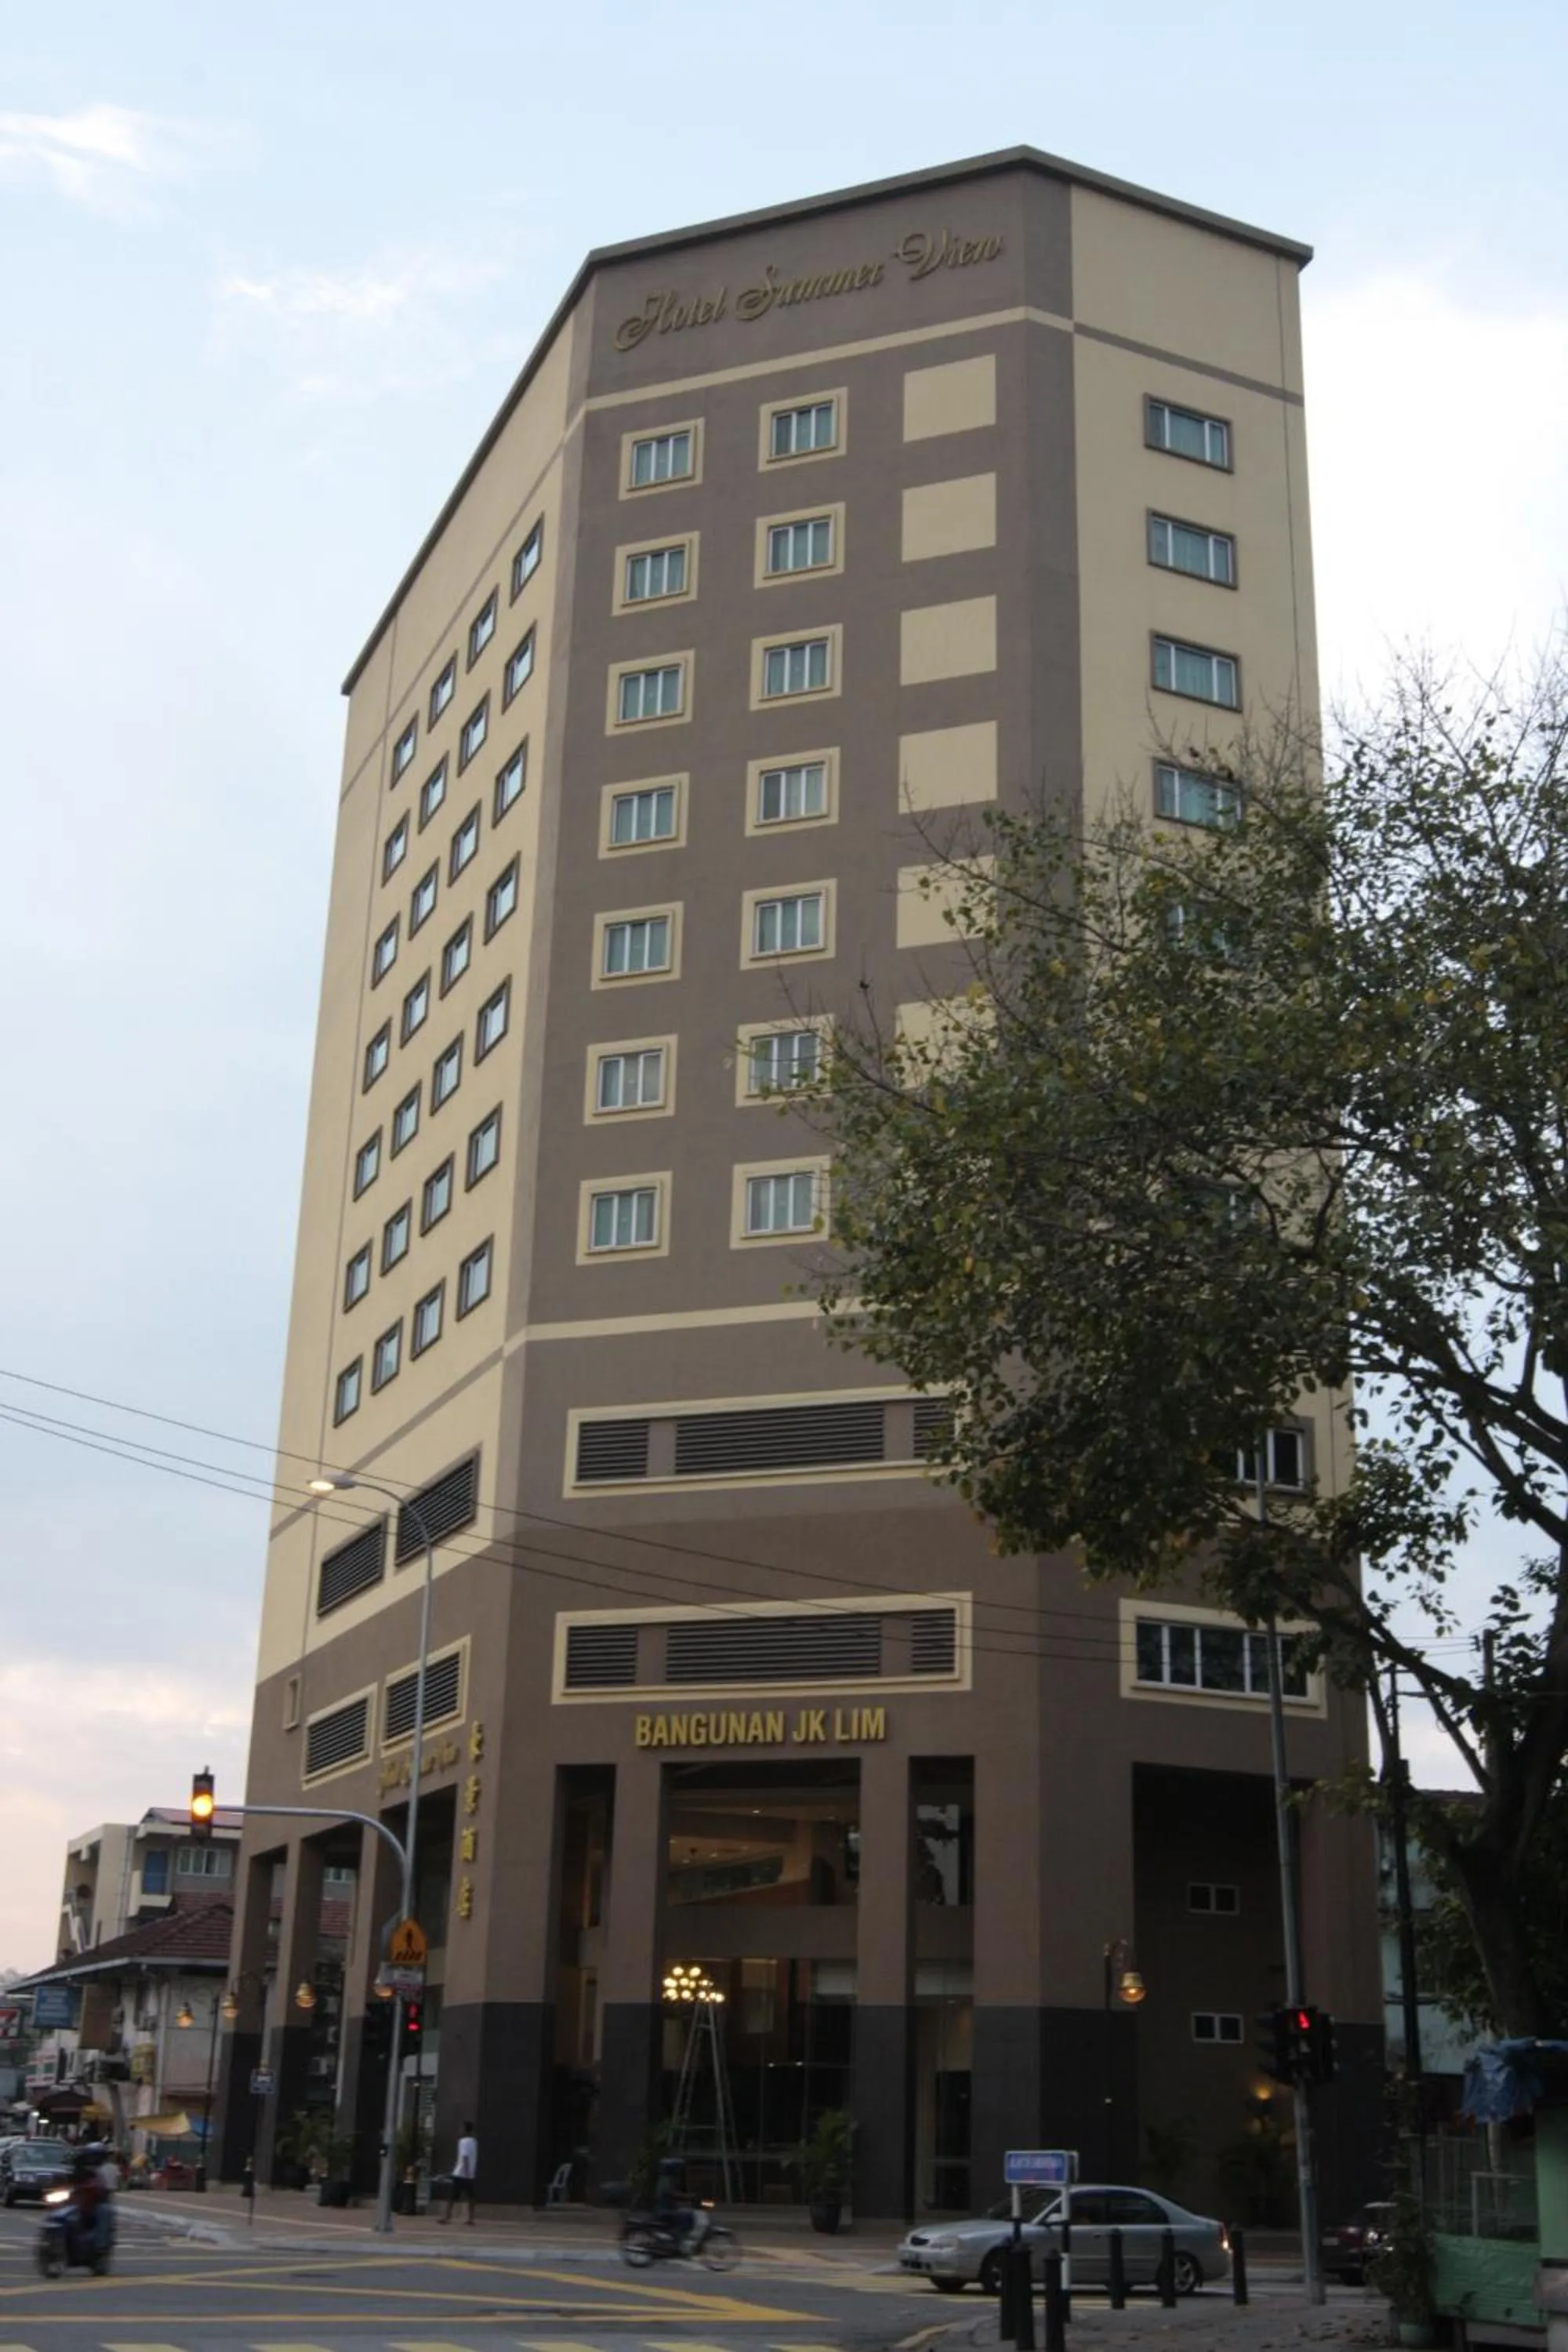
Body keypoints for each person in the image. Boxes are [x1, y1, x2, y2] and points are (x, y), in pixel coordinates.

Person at [439, 2122, 477, 2225]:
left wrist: (466, 2172)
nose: (460, 2130)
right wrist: (470, 2173)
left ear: (465, 2130)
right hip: (470, 2174)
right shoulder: (474, 2142)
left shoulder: (463, 2142)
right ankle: (471, 2218)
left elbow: (465, 2157)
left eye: (462, 2128)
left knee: (452, 2196)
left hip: (461, 2173)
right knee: (471, 2197)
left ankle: (447, 2216)